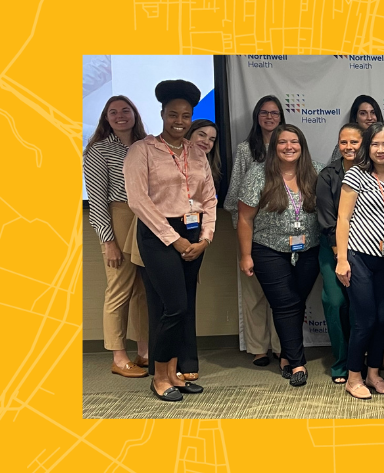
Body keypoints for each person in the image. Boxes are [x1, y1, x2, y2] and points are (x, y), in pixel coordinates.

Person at [124, 79, 214, 402]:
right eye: (173, 114)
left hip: (193, 233)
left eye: (186, 116)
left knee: (185, 307)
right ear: (162, 113)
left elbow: (209, 198)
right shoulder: (142, 150)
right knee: (172, 307)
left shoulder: (197, 152)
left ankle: (174, 373)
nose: (180, 122)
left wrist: (205, 238)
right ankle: (159, 377)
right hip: (158, 234)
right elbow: (138, 201)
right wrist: (174, 240)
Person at [236, 124, 323, 387]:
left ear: (302, 145)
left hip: (309, 249)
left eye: (294, 142)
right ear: (274, 147)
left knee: (296, 302)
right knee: (285, 304)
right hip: (268, 250)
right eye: (282, 142)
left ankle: (286, 354)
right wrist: (246, 255)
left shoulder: (316, 171)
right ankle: (297, 362)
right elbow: (244, 218)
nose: (289, 147)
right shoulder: (258, 174)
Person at [335, 122, 384, 400]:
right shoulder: (356, 175)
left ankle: (373, 374)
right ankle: (353, 377)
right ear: (368, 146)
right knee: (364, 320)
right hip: (358, 258)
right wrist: (342, 259)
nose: (380, 149)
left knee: (382, 321)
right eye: (375, 144)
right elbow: (343, 218)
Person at [84, 95, 150, 378]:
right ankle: (119, 356)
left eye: (126, 110)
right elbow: (97, 201)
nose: (120, 115)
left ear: (135, 114)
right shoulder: (98, 151)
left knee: (144, 290)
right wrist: (107, 241)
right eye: (113, 112)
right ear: (106, 118)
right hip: (119, 218)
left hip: (147, 218)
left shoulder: (147, 145)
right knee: (119, 289)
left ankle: (145, 351)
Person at [225, 95, 284, 368]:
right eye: (264, 113)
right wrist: (241, 234)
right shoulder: (246, 149)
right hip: (251, 230)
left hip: (283, 232)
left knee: (282, 293)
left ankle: (283, 346)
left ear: (281, 117)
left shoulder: (289, 146)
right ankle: (259, 348)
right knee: (254, 292)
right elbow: (236, 192)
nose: (269, 117)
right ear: (256, 117)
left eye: (274, 113)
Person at [316, 123, 364, 384]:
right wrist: (339, 255)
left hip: (365, 251)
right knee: (335, 303)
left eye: (354, 142)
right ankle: (341, 362)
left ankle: (358, 361)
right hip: (333, 249)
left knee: (360, 306)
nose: (349, 147)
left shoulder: (373, 173)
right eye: (344, 142)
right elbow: (326, 219)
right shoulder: (327, 175)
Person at [328, 95, 384, 161]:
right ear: (356, 118)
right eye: (363, 113)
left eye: (373, 112)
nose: (369, 118)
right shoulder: (345, 145)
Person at [185, 119, 220, 190]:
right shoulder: (170, 160)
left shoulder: (210, 169)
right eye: (202, 135)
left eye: (211, 139)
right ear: (189, 133)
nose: (206, 142)